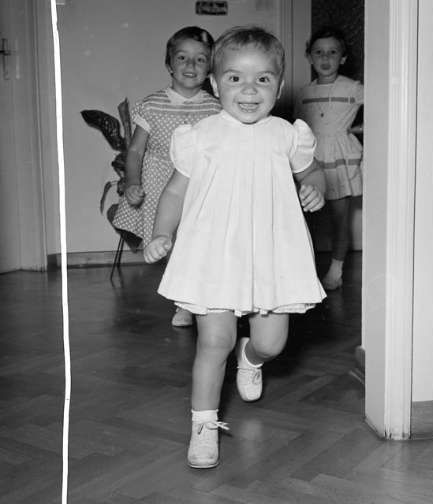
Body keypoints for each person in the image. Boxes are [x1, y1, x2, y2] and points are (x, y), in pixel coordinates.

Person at [144, 26, 326, 469]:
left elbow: (312, 171)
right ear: (214, 83)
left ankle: (251, 357)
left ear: (279, 87)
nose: (249, 90)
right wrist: (161, 232)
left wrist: (315, 188)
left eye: (262, 79)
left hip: (270, 254)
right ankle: (203, 427)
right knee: (214, 343)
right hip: (214, 254)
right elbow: (174, 191)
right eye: (234, 78)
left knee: (272, 344)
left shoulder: (286, 134)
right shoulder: (200, 134)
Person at [112, 26, 221, 327]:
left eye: (200, 59)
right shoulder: (152, 104)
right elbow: (136, 151)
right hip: (162, 182)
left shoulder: (215, 107)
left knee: (198, 240)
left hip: (200, 183)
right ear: (169, 64)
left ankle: (200, 297)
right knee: (172, 242)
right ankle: (184, 301)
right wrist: (133, 182)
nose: (191, 65)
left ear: (209, 68)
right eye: (182, 57)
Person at [295, 26, 364, 290]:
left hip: (339, 158)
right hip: (311, 159)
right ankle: (306, 272)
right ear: (309, 57)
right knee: (307, 218)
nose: (325, 58)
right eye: (319, 52)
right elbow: (298, 128)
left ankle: (335, 271)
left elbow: (385, 105)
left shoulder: (353, 88)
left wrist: (355, 130)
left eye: (333, 52)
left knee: (339, 219)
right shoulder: (303, 93)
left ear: (343, 58)